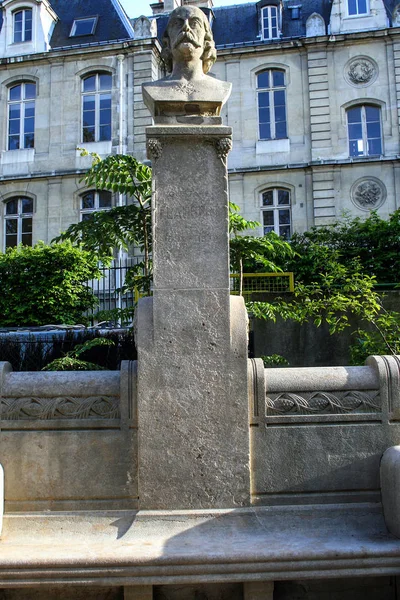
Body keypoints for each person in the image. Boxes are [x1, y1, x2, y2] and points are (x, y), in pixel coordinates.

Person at [142, 5, 231, 119]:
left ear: (206, 41)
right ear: (167, 42)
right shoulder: (153, 89)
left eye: (194, 23)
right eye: (177, 24)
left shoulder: (220, 88)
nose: (186, 27)